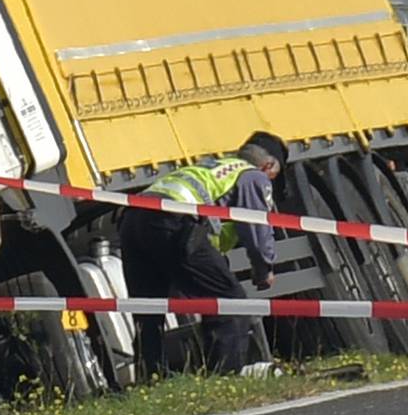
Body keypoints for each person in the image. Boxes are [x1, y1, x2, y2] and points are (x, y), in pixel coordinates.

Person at [120, 134, 289, 376]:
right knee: (229, 299)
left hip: (133, 219)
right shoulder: (253, 176)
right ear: (269, 166)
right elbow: (257, 227)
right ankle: (227, 374)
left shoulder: (213, 167)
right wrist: (264, 269)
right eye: (274, 177)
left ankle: (151, 377)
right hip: (174, 221)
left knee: (148, 309)